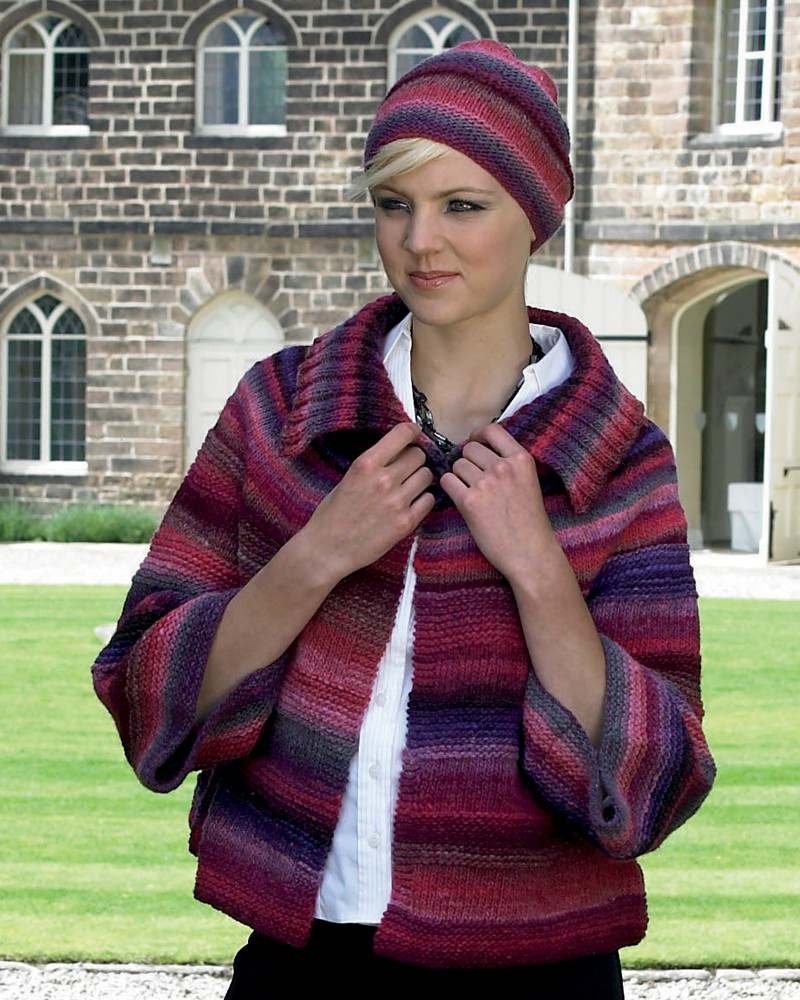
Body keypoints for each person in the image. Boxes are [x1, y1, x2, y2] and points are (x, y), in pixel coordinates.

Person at [91, 39, 717, 997]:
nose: (421, 241)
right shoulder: (281, 412)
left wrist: (537, 569)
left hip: (543, 968)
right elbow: (144, 692)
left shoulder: (619, 457)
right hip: (303, 960)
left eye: (462, 205)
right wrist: (317, 553)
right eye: (395, 204)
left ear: (537, 214)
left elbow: (659, 773)